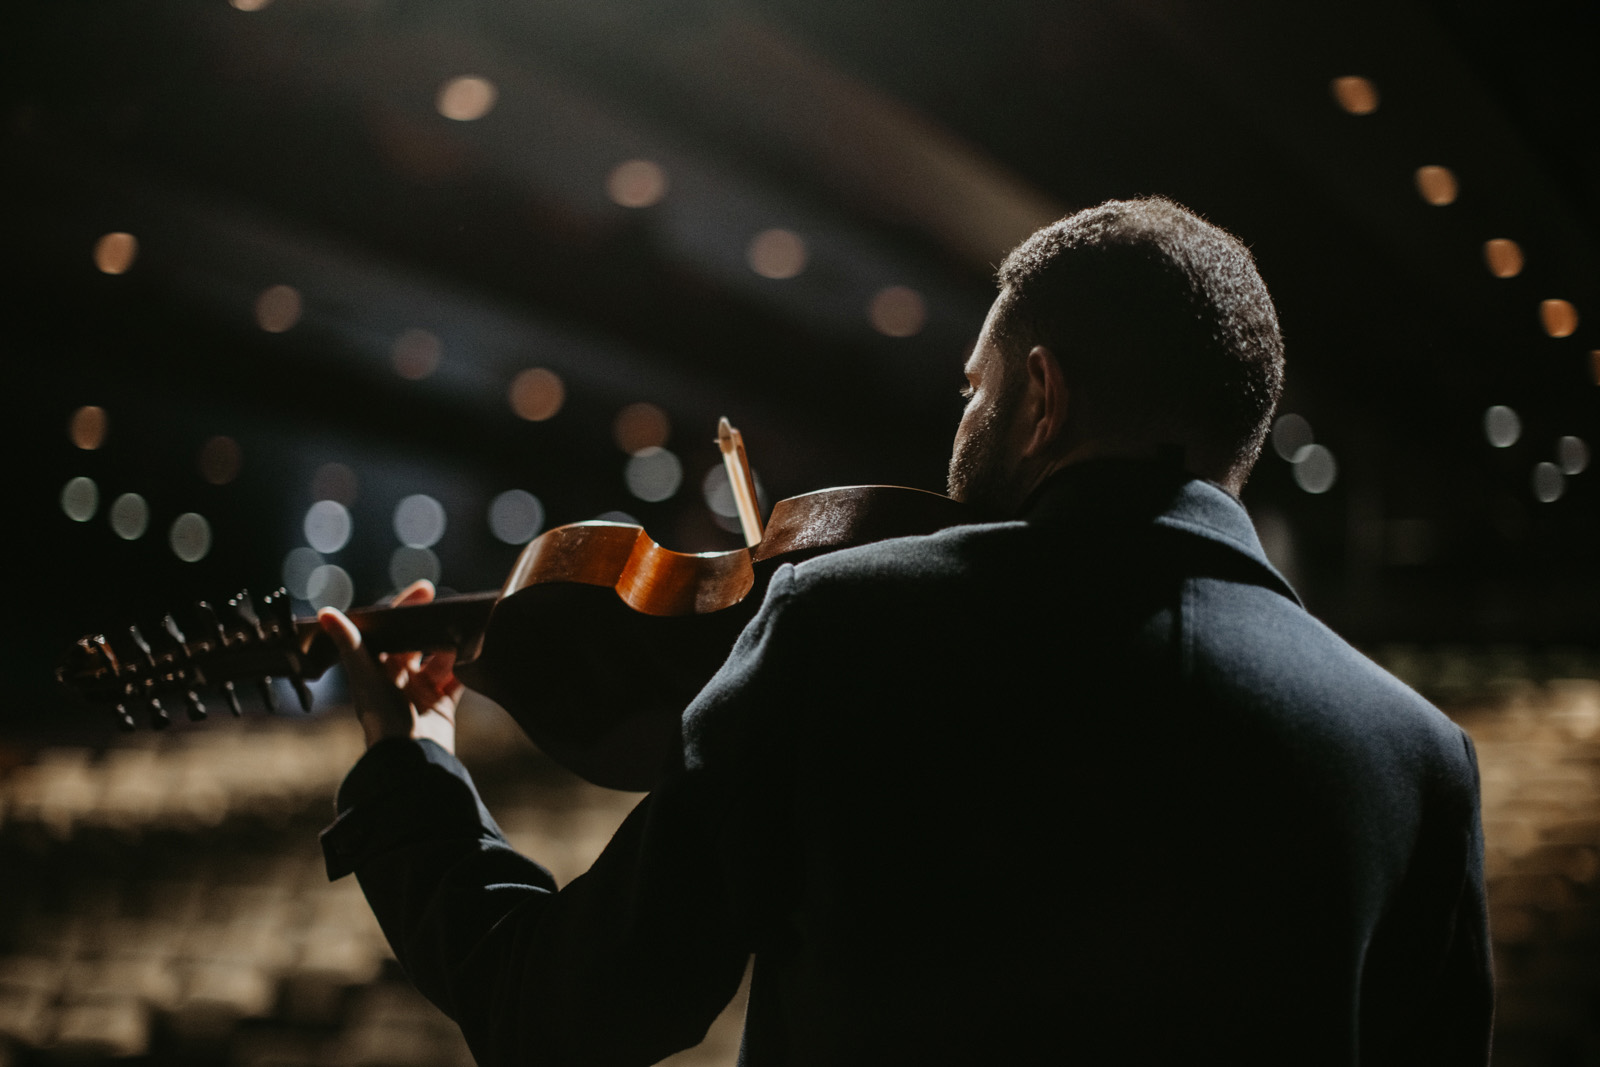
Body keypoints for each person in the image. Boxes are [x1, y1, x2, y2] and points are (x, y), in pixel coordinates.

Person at [317, 197, 1493, 1065]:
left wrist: (410, 766)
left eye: (974, 390)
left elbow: (560, 1011)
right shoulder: (1416, 754)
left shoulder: (841, 625)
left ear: (1045, 395)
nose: (963, 419)